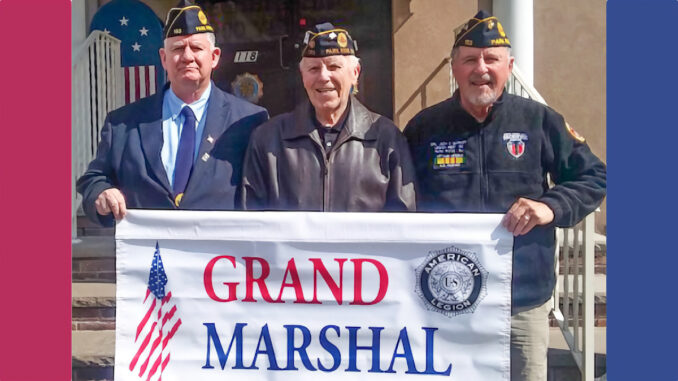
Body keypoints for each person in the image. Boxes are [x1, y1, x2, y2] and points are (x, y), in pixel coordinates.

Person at [403, 11, 606, 381]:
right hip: (443, 298)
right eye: (469, 60)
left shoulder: (539, 121)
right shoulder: (423, 127)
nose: (481, 68)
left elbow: (593, 176)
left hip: (521, 299)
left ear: (508, 66)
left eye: (491, 59)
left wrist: (550, 206)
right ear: (454, 67)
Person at [77, 0, 268, 226]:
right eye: (177, 48)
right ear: (163, 59)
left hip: (219, 258)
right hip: (148, 258)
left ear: (214, 56)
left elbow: (264, 196)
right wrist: (101, 193)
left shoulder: (249, 122)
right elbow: (94, 179)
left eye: (196, 48)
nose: (187, 56)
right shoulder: (123, 123)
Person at [241, 22, 416, 212]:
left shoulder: (386, 139)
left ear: (355, 73)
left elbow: (403, 222)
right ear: (303, 76)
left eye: (334, 67)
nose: (324, 77)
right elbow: (252, 223)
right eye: (314, 69)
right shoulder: (268, 140)